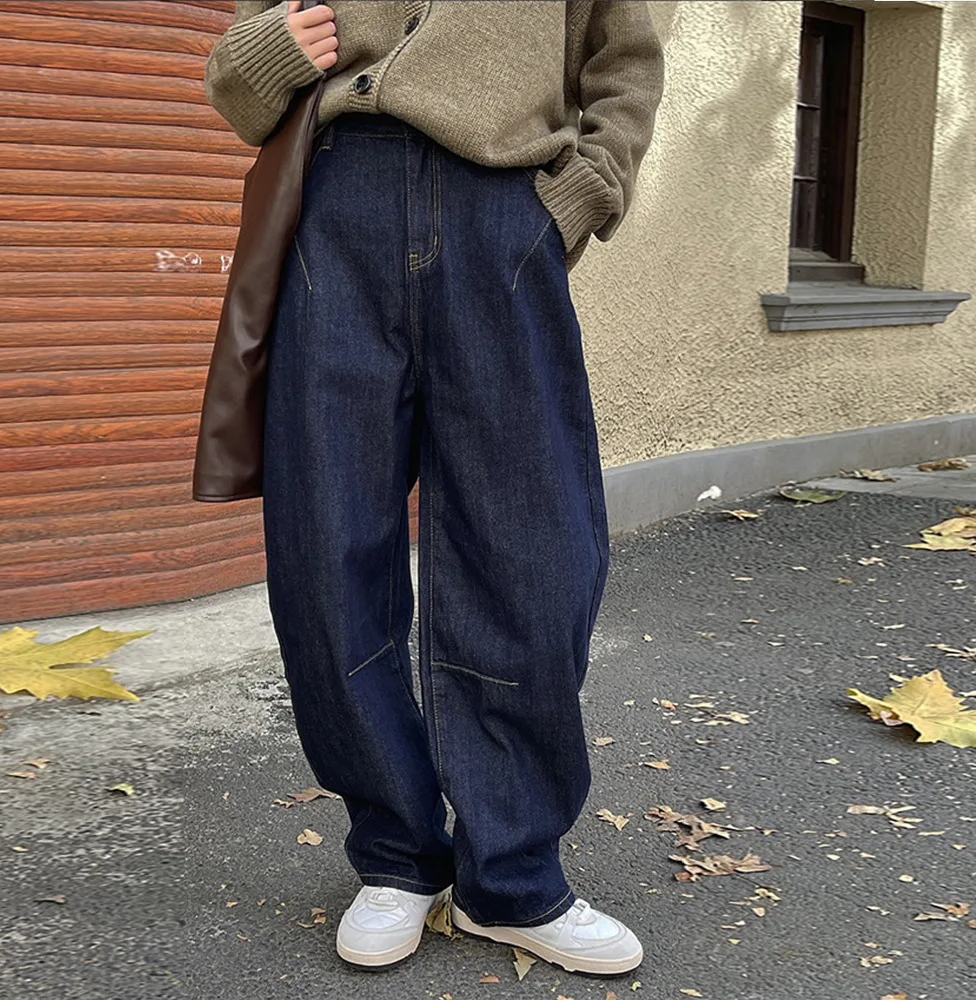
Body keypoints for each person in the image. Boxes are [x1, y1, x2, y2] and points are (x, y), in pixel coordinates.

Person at [203, 0, 664, 976]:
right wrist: (270, 50)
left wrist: (580, 193)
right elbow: (239, 84)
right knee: (328, 550)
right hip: (338, 210)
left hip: (503, 214)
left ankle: (512, 875)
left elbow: (624, 62)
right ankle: (396, 855)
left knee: (534, 554)